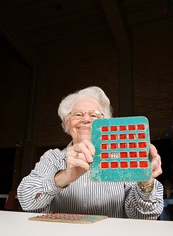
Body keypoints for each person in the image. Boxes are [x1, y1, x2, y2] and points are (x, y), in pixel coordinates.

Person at [17, 86, 163, 219]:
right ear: (67, 123)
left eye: (94, 115)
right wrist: (63, 177)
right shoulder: (53, 158)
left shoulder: (123, 158)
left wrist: (145, 181)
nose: (86, 119)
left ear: (105, 124)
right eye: (78, 114)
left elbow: (144, 216)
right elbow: (25, 201)